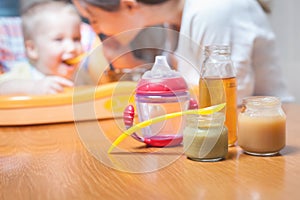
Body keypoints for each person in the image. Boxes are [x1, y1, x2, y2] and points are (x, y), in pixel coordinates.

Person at [72, 0, 294, 104]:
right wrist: (129, 62)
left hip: (263, 134)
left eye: (94, 18)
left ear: (129, 5)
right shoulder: (175, 19)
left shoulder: (214, 10)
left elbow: (226, 99)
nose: (95, 29)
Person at [0, 1, 86, 95]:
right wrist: (33, 87)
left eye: (76, 39)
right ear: (32, 49)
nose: (72, 48)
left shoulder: (81, 74)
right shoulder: (23, 73)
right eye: (59, 40)